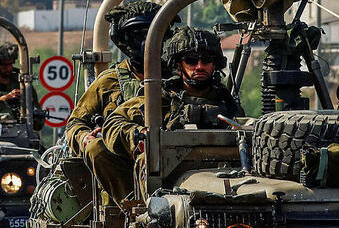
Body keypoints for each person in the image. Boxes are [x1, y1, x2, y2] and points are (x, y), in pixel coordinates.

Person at [98, 27, 243, 203]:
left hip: (220, 186)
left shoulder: (227, 104)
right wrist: (138, 135)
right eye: (191, 60)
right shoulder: (159, 99)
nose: (199, 66)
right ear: (178, 65)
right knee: (149, 158)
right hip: (166, 193)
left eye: (206, 60)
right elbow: (114, 123)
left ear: (215, 64)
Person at [66, 1, 179, 157]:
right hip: (119, 163)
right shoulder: (108, 82)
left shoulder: (180, 80)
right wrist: (85, 137)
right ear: (125, 40)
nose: (147, 42)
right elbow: (75, 123)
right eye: (139, 35)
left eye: (154, 34)